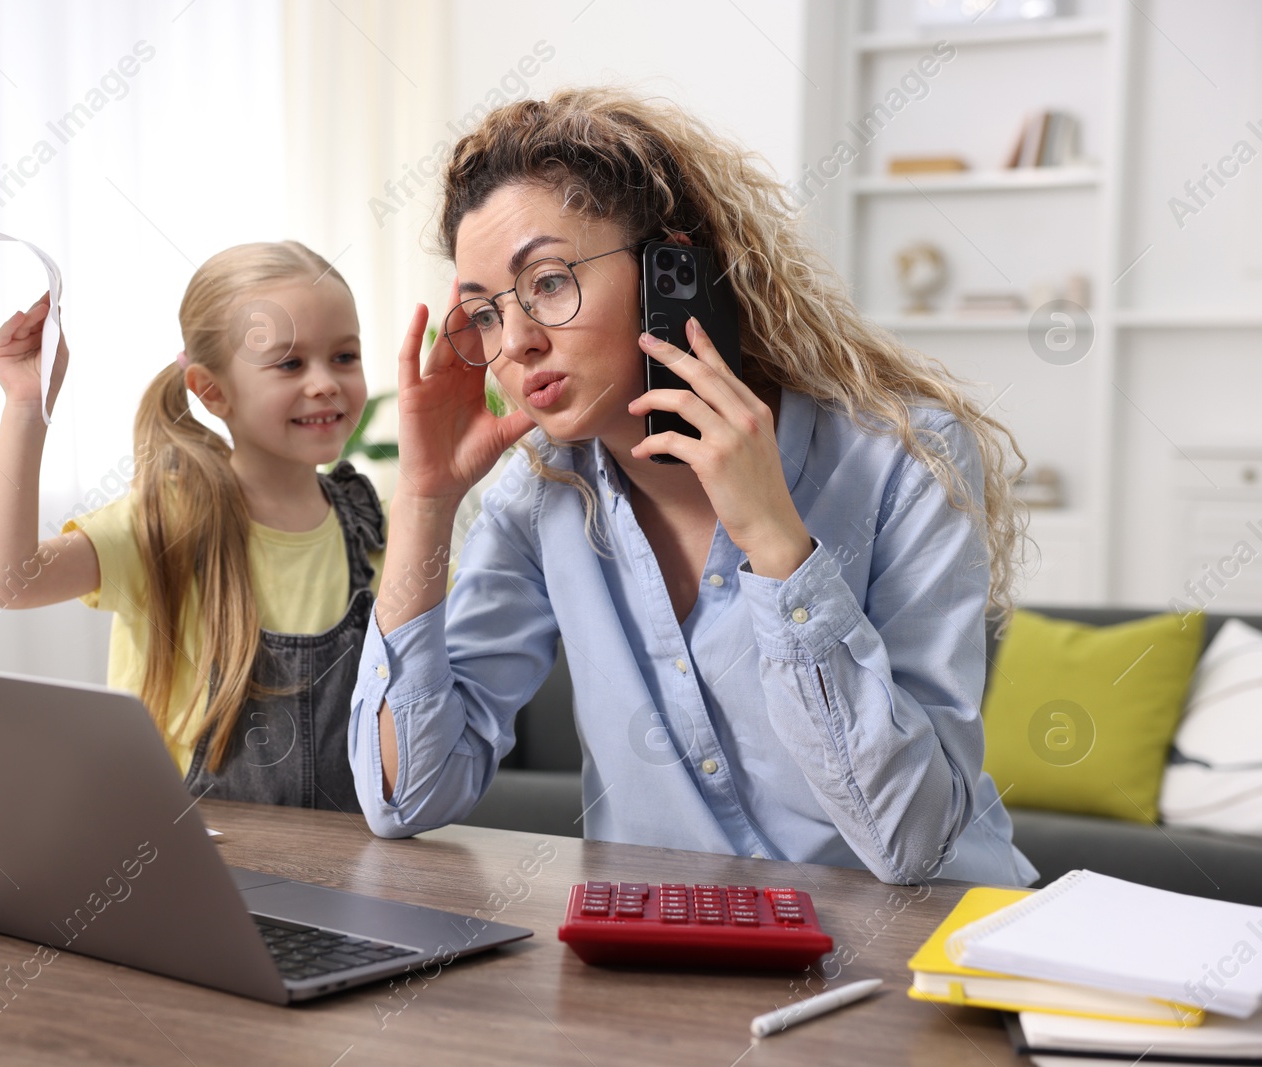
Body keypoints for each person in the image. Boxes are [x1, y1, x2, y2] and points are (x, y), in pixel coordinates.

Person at [350, 87, 1039, 886]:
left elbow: (913, 847)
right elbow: (406, 798)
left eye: (545, 281)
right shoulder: (540, 498)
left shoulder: (903, 461)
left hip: (921, 962)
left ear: (672, 272)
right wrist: (425, 502)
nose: (519, 341)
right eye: (486, 312)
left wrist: (779, 547)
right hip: (679, 979)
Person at [0, 241, 384, 811]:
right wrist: (25, 405)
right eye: (290, 363)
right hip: (180, 862)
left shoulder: (373, 532)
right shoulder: (170, 523)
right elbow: (8, 581)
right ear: (212, 391)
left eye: (344, 356)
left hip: (339, 870)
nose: (325, 383)